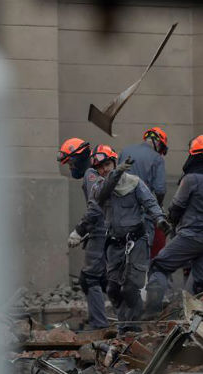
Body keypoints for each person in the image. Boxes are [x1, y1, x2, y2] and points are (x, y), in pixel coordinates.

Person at [143, 135, 203, 318]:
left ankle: (151, 313)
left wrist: (169, 224)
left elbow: (176, 207)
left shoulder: (191, 179)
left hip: (191, 237)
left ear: (193, 156)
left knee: (159, 266)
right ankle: (194, 323)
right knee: (201, 288)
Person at [91, 154, 172, 334]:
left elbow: (150, 202)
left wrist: (159, 219)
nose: (104, 169)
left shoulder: (134, 183)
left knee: (130, 287)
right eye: (100, 167)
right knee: (112, 288)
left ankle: (131, 327)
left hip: (136, 241)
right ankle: (124, 322)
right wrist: (115, 173)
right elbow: (103, 194)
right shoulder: (98, 187)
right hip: (114, 243)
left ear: (114, 161)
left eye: (107, 164)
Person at [57, 138, 108, 329]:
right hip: (101, 231)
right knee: (105, 279)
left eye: (70, 163)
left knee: (90, 279)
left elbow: (96, 208)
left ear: (79, 158)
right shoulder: (95, 173)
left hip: (100, 232)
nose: (70, 167)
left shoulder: (90, 175)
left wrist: (80, 230)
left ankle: (99, 324)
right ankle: (117, 320)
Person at [118, 127, 168, 253]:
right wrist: (159, 205)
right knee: (142, 253)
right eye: (162, 149)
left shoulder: (125, 151)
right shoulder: (157, 158)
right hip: (142, 214)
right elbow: (160, 189)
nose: (161, 153)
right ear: (158, 143)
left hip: (121, 213)